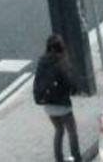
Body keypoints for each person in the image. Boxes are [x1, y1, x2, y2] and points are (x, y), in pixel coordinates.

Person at [33, 34, 81, 162]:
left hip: (48, 104)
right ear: (61, 47)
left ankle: (59, 158)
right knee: (72, 131)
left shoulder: (42, 62)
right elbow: (70, 81)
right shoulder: (61, 62)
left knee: (59, 130)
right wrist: (75, 89)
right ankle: (76, 158)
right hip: (62, 104)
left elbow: (37, 82)